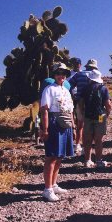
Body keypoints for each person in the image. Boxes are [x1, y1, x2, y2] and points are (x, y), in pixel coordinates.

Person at [40, 63, 75, 202]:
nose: (62, 76)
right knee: (52, 156)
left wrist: (73, 127)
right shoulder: (49, 89)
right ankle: (47, 189)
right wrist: (45, 128)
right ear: (54, 74)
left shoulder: (66, 90)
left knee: (60, 156)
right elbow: (44, 110)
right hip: (54, 124)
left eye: (64, 73)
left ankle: (54, 184)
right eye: (59, 73)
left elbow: (70, 111)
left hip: (65, 124)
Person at [79, 70, 112, 168]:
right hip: (100, 116)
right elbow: (108, 104)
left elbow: (81, 102)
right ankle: (98, 160)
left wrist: (83, 112)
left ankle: (87, 160)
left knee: (88, 139)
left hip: (88, 115)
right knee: (98, 139)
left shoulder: (85, 88)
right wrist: (107, 113)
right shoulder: (103, 88)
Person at [69, 59, 99, 153]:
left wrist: (74, 96)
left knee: (80, 125)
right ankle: (88, 147)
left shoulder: (79, 75)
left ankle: (78, 145)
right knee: (91, 126)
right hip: (93, 104)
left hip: (80, 102)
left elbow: (69, 86)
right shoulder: (96, 75)